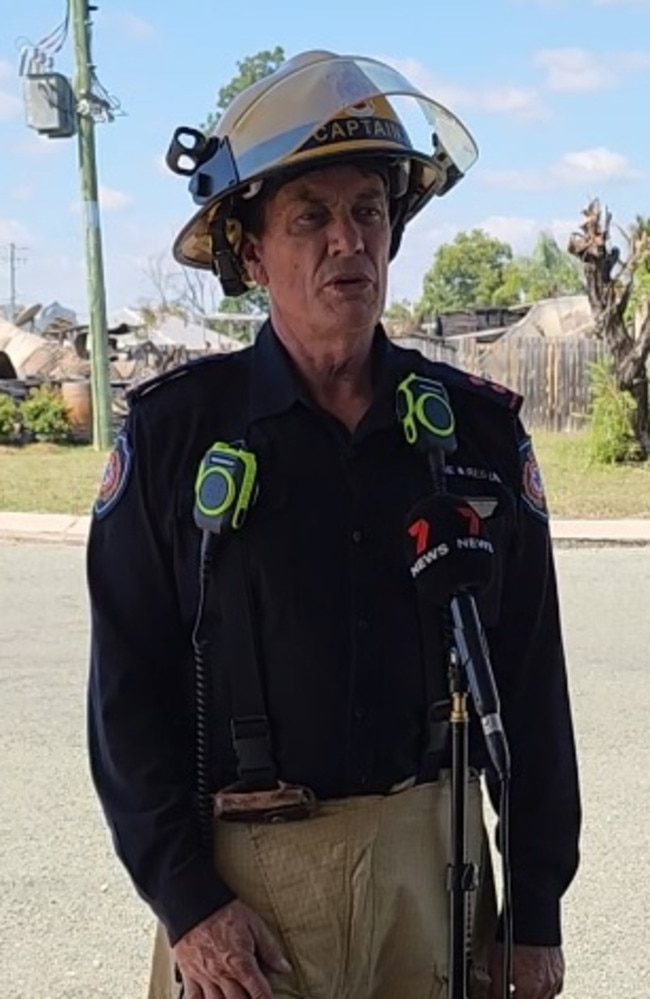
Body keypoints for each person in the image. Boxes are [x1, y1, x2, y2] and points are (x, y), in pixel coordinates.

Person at [86, 50, 581, 999]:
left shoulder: (475, 434)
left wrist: (533, 916)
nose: (346, 241)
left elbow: (531, 682)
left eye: (368, 210)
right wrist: (189, 906)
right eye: (309, 216)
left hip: (432, 872)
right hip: (243, 899)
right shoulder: (173, 437)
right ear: (252, 252)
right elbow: (126, 701)